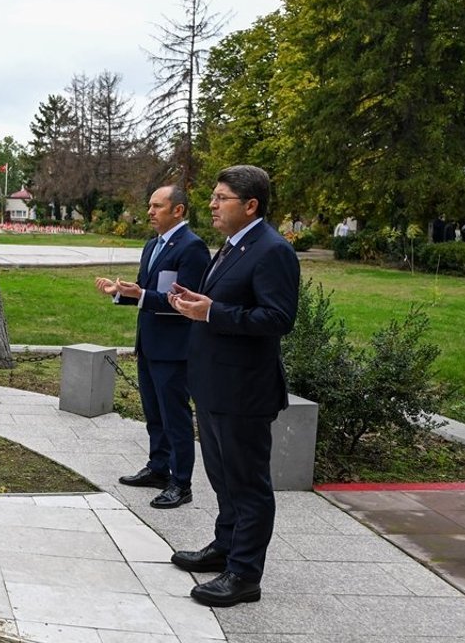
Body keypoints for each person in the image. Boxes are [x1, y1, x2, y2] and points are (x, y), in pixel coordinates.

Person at [166, 164, 300, 608]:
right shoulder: (232, 246)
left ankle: (244, 574)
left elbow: (278, 318)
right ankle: (225, 548)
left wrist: (212, 312)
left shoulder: (273, 250)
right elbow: (225, 302)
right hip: (214, 385)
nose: (211, 204)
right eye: (213, 196)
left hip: (244, 391)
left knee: (248, 485)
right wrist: (197, 304)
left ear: (251, 205)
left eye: (221, 198)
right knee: (223, 478)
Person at [95, 185, 210, 509]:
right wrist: (120, 291)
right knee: (154, 413)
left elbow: (185, 302)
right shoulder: (151, 245)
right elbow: (145, 291)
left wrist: (141, 294)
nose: (149, 212)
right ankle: (158, 468)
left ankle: (181, 483)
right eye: (149, 205)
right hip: (148, 344)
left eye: (157, 206)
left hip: (174, 348)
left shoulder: (192, 248)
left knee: (175, 417)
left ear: (178, 210)